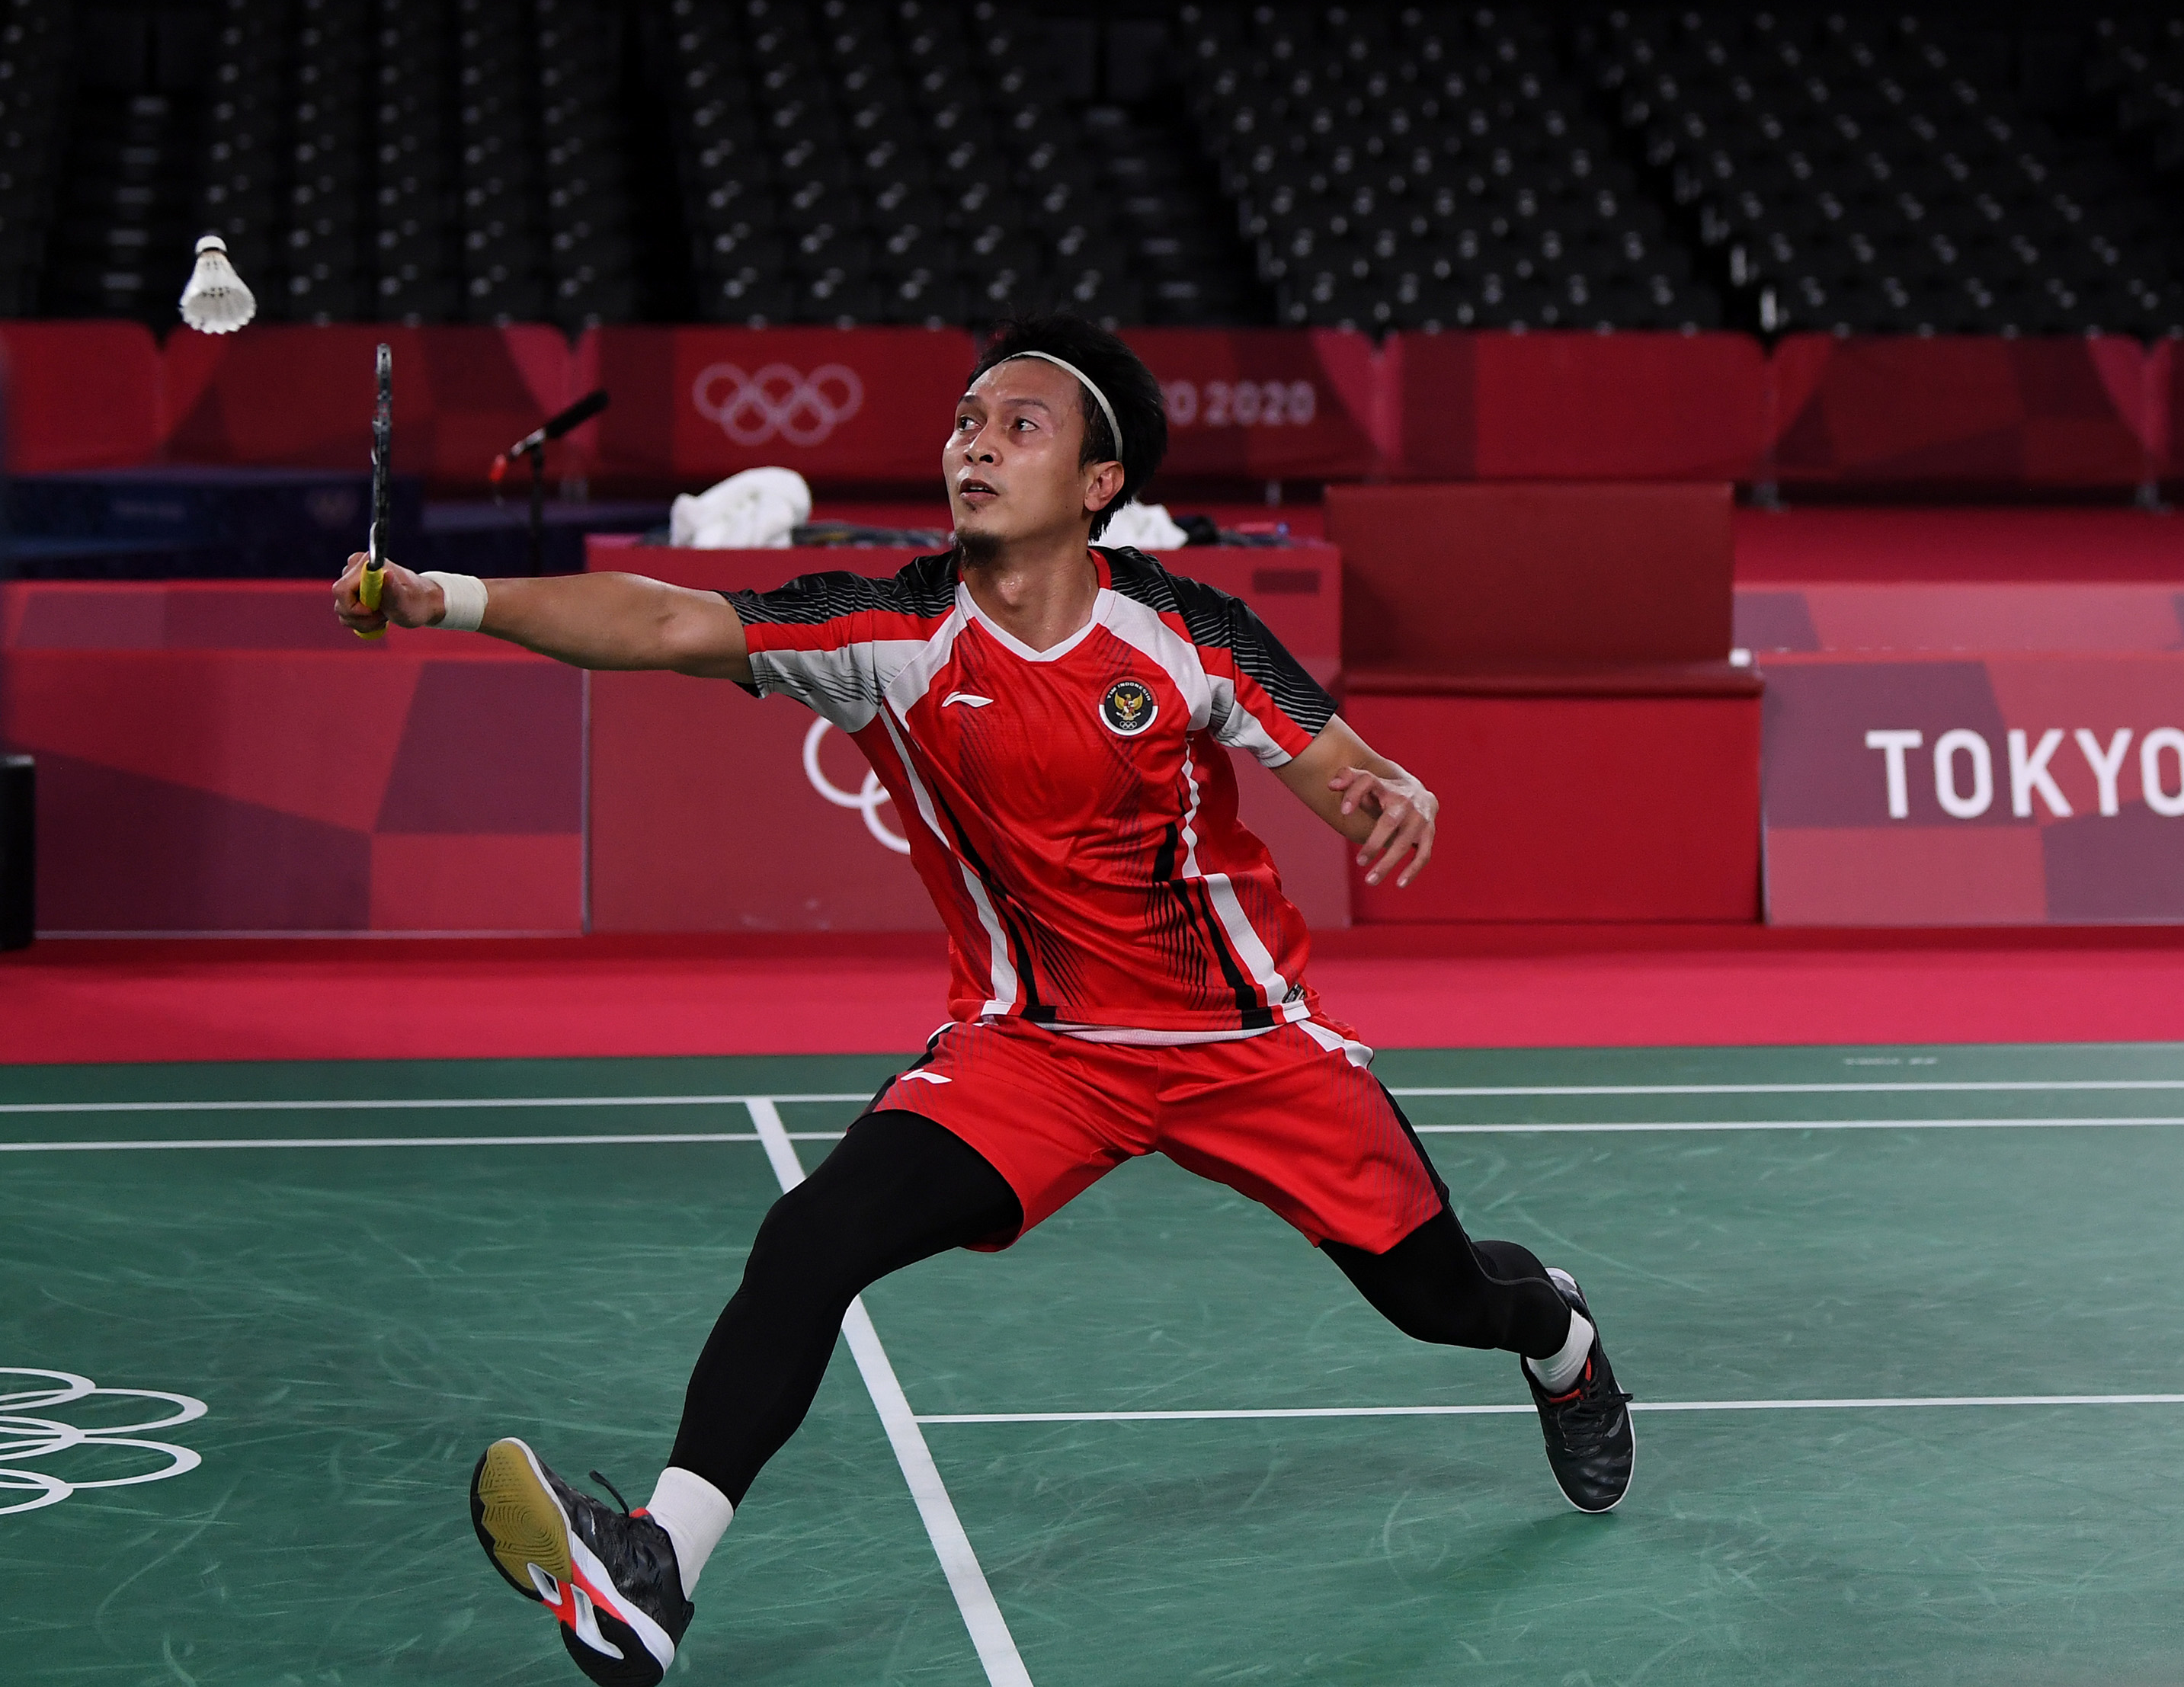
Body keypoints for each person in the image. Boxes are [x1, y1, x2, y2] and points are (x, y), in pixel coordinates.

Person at [337, 317, 1635, 1684]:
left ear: (1097, 482)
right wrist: (447, 598)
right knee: (812, 1237)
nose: (977, 442)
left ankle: (1558, 1333)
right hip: (1038, 1053)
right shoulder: (890, 634)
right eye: (966, 420)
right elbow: (665, 620)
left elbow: (1332, 761)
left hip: (1245, 1047)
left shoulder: (1185, 630)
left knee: (1438, 1298)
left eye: (1021, 425)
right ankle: (656, 1571)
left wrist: (1388, 790)